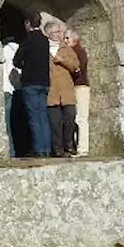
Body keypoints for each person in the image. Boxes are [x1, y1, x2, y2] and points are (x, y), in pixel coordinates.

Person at [13, 12, 52, 158]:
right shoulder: (45, 40)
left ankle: (39, 149)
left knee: (34, 116)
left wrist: (25, 65)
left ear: (28, 23)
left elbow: (16, 61)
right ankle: (47, 149)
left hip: (30, 83)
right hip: (45, 82)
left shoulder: (27, 39)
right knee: (43, 115)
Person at [46, 22, 80, 158]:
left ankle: (70, 145)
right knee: (55, 123)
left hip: (67, 91)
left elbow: (76, 66)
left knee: (70, 119)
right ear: (48, 34)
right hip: (52, 92)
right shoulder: (44, 48)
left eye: (59, 32)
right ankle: (58, 149)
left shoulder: (66, 49)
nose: (59, 35)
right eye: (55, 32)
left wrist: (62, 60)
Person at [66, 28, 90, 157]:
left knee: (81, 118)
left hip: (81, 87)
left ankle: (83, 149)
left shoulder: (79, 52)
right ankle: (77, 147)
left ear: (75, 39)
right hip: (76, 87)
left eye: (67, 38)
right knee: (76, 118)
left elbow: (78, 69)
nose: (65, 40)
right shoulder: (73, 51)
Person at [2, 36, 22, 158]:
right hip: (14, 88)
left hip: (3, 88)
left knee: (5, 124)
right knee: (16, 122)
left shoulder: (4, 50)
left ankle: (10, 152)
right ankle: (17, 150)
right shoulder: (18, 50)